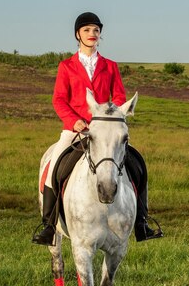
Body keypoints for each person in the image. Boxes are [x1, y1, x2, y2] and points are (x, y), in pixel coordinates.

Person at [32, 12, 163, 246]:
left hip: (104, 131)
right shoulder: (66, 66)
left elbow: (120, 95)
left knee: (137, 163)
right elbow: (59, 100)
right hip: (75, 130)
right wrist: (74, 120)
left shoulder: (110, 66)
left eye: (96, 30)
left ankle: (142, 222)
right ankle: (49, 225)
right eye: (87, 30)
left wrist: (113, 113)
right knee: (54, 167)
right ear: (77, 35)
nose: (92, 34)